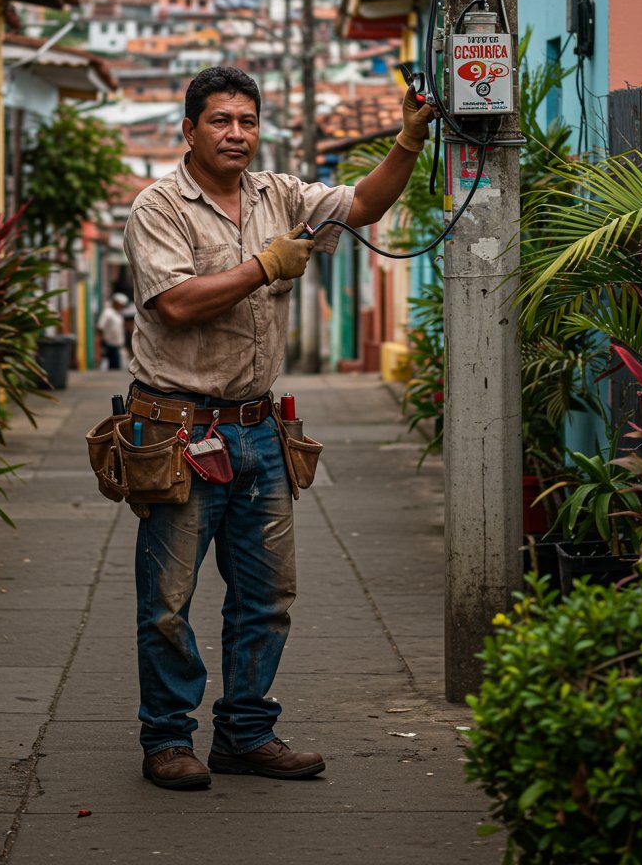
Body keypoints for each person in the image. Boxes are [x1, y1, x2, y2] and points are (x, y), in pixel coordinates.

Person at [122, 65, 432, 790]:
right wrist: (264, 265)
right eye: (221, 121)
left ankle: (245, 734)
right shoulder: (158, 207)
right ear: (189, 129)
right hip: (178, 432)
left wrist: (409, 143)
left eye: (248, 121)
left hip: (259, 430)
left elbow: (362, 206)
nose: (237, 133)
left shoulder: (282, 195)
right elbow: (175, 304)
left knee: (267, 596)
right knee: (168, 604)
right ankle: (168, 740)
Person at [97, 292, 129, 371]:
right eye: (120, 304)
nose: (122, 306)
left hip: (118, 345)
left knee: (116, 367)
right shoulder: (107, 312)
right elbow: (100, 326)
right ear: (115, 303)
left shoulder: (118, 314)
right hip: (109, 345)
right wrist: (100, 342)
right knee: (112, 368)